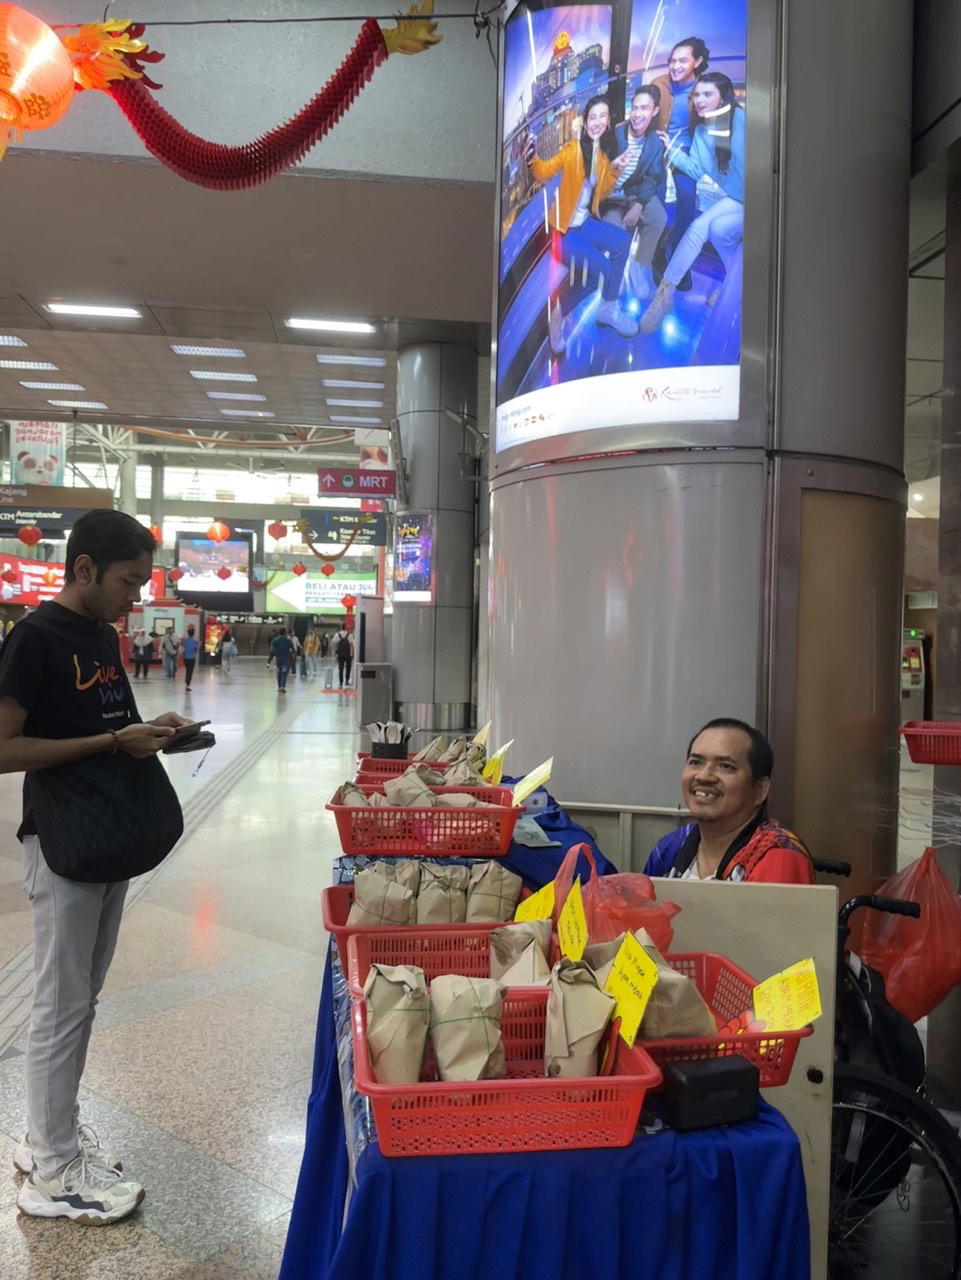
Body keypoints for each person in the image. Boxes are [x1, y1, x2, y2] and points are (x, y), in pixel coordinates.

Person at [0, 509, 190, 1224]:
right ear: (83, 569)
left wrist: (154, 732)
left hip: (107, 832)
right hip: (61, 840)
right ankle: (50, 1174)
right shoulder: (36, 638)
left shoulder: (101, 637)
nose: (134, 597)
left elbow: (107, 729)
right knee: (59, 1003)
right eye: (127, 582)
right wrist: (108, 740)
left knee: (81, 999)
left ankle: (46, 1137)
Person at [526, 94, 639, 355]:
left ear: (608, 121)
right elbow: (543, 171)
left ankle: (608, 308)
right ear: (585, 122)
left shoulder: (601, 155)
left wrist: (614, 169)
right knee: (601, 271)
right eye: (592, 117)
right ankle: (559, 315)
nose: (597, 122)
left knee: (622, 241)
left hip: (585, 223)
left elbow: (603, 192)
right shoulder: (573, 150)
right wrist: (532, 158)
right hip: (563, 231)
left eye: (602, 116)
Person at [644, 718, 815, 883]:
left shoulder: (778, 855)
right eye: (695, 762)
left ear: (760, 790)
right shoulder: (671, 847)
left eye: (725, 766)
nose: (704, 776)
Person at [641, 71, 745, 334]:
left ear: (724, 97)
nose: (699, 99)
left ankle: (735, 287)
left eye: (707, 94)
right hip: (738, 199)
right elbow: (697, 170)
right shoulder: (701, 131)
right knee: (699, 229)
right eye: (697, 94)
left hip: (762, 200)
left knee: (719, 230)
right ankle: (664, 296)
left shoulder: (742, 121)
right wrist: (671, 150)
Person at [651, 36, 711, 289]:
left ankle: (679, 259)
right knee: (657, 203)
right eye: (672, 60)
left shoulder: (702, 90)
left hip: (685, 151)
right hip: (658, 146)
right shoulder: (658, 84)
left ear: (697, 62)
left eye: (682, 61)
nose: (675, 66)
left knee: (687, 200)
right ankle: (656, 256)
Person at [600, 85, 668, 302]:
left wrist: (639, 204)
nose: (637, 114)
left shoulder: (655, 143)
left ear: (655, 111)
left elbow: (652, 177)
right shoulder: (615, 135)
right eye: (634, 107)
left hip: (633, 192)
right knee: (617, 232)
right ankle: (616, 272)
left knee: (659, 218)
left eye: (644, 108)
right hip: (611, 196)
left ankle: (639, 265)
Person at [267, 627, 294, 693]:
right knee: (284, 673)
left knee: (279, 672)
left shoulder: (275, 640)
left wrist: (269, 660)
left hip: (278, 659)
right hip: (286, 659)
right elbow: (292, 649)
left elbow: (272, 650)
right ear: (285, 632)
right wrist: (292, 657)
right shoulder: (288, 640)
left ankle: (279, 686)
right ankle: (282, 686)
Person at [181, 623, 198, 691]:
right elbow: (195, 650)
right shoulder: (195, 641)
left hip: (185, 658)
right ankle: (188, 685)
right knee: (190, 671)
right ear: (193, 633)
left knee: (187, 670)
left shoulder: (185, 641)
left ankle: (186, 682)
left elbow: (183, 648)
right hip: (192, 658)